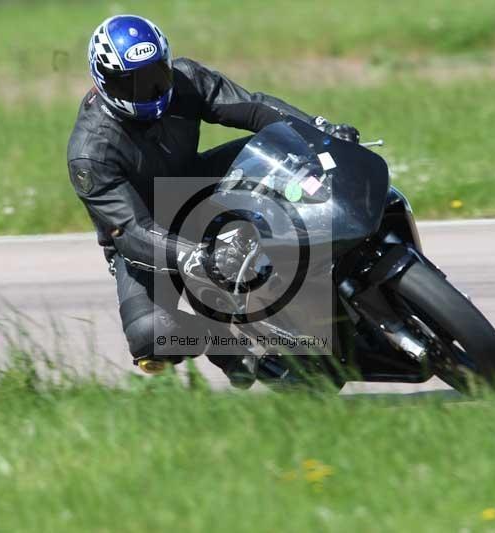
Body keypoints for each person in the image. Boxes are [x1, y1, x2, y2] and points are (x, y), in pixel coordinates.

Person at [67, 14, 359, 386]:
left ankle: (340, 246)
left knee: (284, 152)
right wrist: (196, 255)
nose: (150, 92)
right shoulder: (91, 153)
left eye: (157, 75)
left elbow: (253, 108)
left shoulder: (187, 79)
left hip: (195, 184)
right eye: (133, 84)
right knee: (151, 336)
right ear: (103, 81)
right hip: (146, 239)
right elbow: (132, 230)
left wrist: (316, 130)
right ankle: (222, 343)